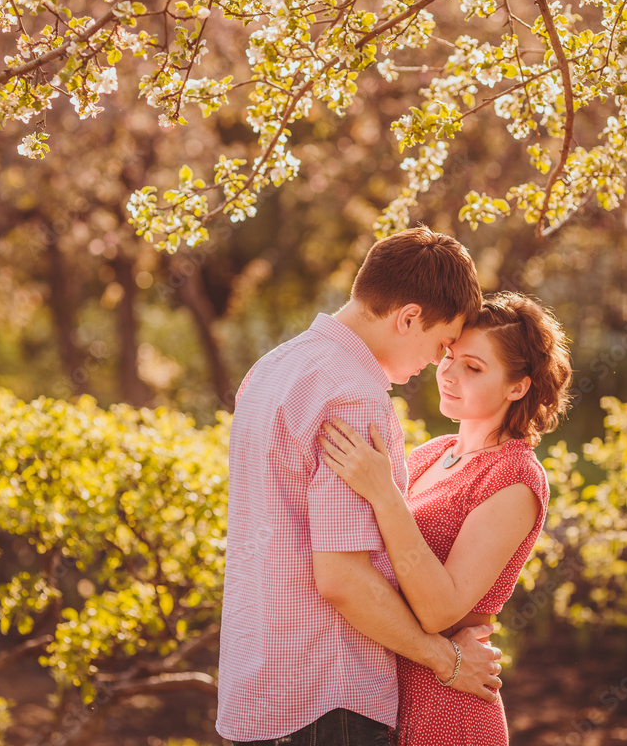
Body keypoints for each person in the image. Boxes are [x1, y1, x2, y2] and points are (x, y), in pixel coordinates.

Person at [216, 226, 504, 746]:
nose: (432, 364)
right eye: (440, 344)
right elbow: (342, 579)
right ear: (408, 317)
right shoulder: (355, 397)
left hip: (255, 694)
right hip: (328, 700)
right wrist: (447, 660)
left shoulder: (270, 369)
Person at [319, 291, 572, 745]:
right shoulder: (430, 455)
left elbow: (439, 610)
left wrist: (384, 494)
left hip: (449, 707)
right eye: (449, 357)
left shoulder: (515, 479)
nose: (450, 374)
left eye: (473, 368)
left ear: (518, 386)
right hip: (383, 692)